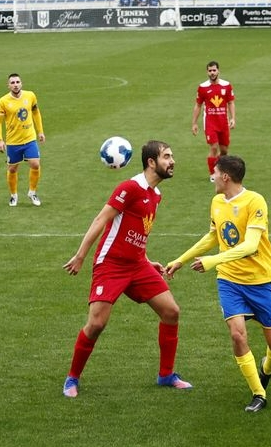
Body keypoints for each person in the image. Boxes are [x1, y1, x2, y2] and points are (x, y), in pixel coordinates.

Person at [62, 140, 192, 398]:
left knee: (171, 311)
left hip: (137, 264)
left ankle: (166, 375)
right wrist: (80, 256)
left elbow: (134, 231)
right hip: (111, 265)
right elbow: (102, 219)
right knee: (97, 323)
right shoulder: (129, 188)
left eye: (172, 156)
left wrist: (146, 259)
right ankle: (72, 378)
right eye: (167, 156)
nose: (172, 161)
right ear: (151, 162)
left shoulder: (156, 195)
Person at [165, 155, 271, 413]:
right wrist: (181, 260)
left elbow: (251, 246)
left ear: (226, 177)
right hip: (229, 280)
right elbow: (212, 236)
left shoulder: (255, 201)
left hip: (260, 280)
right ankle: (258, 393)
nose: (212, 179)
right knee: (237, 334)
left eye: (214, 174)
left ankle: (266, 369)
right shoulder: (217, 202)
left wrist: (212, 261)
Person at [0, 73, 45, 207]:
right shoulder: (3, 101)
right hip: (13, 141)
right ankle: (13, 195)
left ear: (21, 83)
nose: (15, 85)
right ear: (8, 85)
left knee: (35, 164)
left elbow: (36, 112)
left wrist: (40, 131)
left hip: (29, 138)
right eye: (13, 83)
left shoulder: (30, 96)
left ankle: (32, 192)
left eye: (17, 82)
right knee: (12, 169)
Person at [192, 60, 236, 182]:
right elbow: (198, 105)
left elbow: (231, 102)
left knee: (224, 150)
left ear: (218, 71)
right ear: (207, 72)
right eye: (210, 70)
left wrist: (232, 118)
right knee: (214, 147)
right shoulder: (203, 87)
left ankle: (221, 170)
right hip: (210, 123)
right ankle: (213, 174)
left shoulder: (226, 86)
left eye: (214, 70)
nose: (212, 73)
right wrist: (194, 123)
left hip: (223, 122)